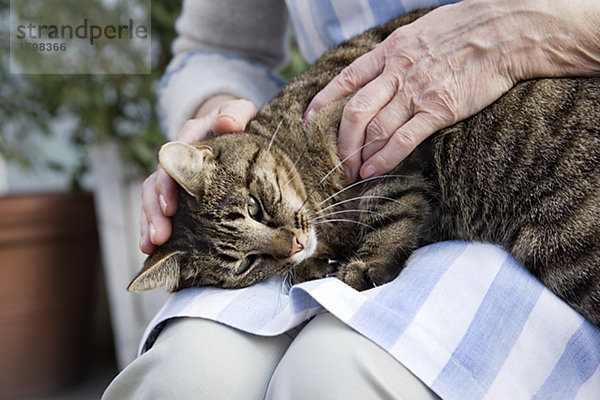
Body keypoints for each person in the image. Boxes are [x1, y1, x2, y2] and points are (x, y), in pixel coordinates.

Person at [105, 0, 600, 398]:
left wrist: (529, 28)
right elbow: (216, 47)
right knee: (181, 382)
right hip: (327, 185)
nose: (284, 245)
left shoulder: (315, 142)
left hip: (544, 124)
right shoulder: (285, 187)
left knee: (331, 380)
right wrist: (216, 122)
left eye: (256, 216)